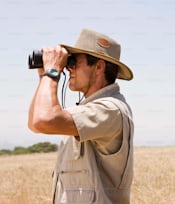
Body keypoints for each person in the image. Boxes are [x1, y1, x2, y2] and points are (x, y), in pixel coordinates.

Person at [28, 28, 134, 204]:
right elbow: (34, 123)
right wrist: (43, 77)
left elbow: (43, 120)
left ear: (99, 67)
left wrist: (52, 71)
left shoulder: (110, 109)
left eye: (74, 62)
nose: (68, 68)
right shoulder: (89, 110)